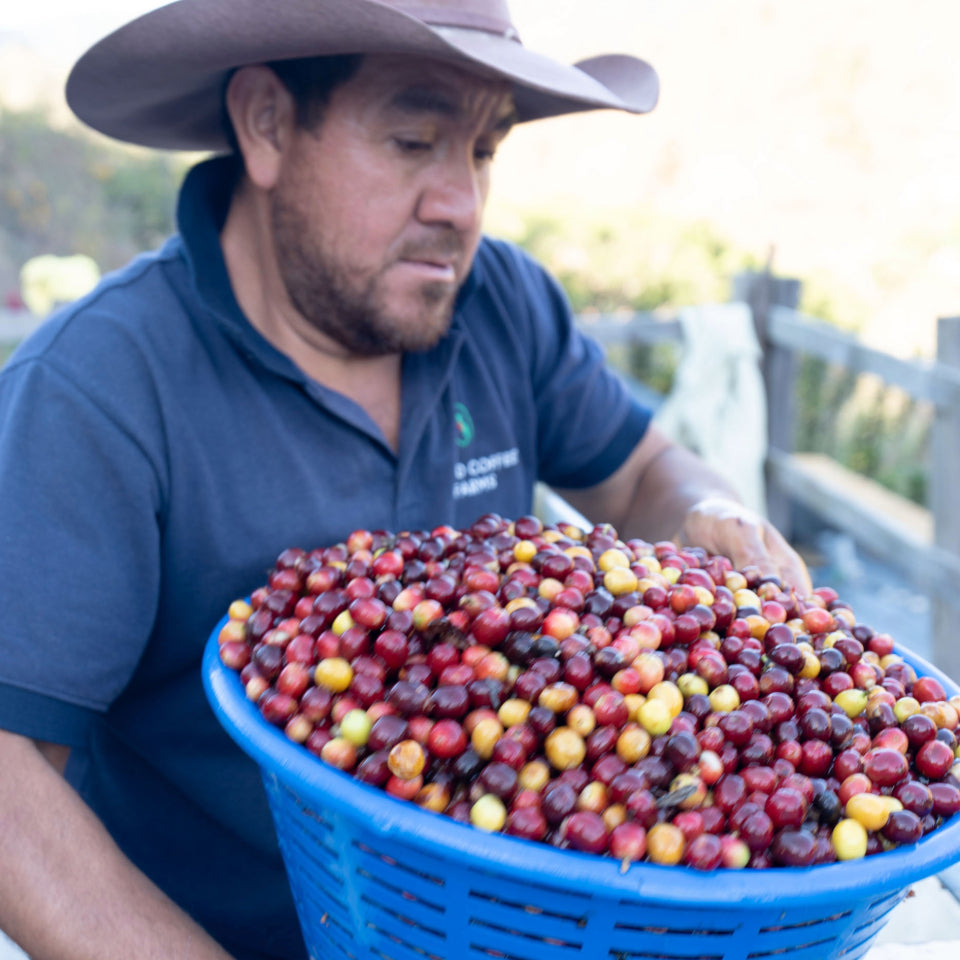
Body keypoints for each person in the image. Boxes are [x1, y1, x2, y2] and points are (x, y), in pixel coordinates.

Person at [0, 2, 811, 959]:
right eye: (414, 141)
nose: (460, 202)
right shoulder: (95, 388)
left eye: (483, 151)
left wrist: (712, 513)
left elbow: (641, 477)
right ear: (266, 123)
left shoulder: (502, 304)